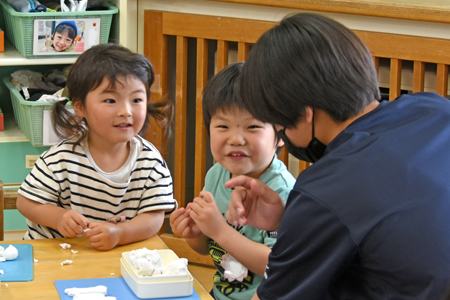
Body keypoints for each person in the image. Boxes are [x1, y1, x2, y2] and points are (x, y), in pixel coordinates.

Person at [225, 13, 450, 300]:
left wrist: (304, 218)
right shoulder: (435, 109)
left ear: (305, 113)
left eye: (279, 125)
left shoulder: (325, 190)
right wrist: (290, 222)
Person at [16, 43, 177, 251]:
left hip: (113, 258)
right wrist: (59, 218)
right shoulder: (61, 159)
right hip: (52, 255)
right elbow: (25, 202)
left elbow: (154, 217)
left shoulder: (150, 162)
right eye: (110, 100)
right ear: (80, 107)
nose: (126, 111)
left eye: (136, 99)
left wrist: (120, 233)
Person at [169, 62, 295, 300]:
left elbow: (278, 268)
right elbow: (209, 250)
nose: (236, 139)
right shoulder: (217, 174)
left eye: (253, 126)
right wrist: (196, 234)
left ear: (280, 135)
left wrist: (219, 230)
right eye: (223, 126)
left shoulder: (281, 192)